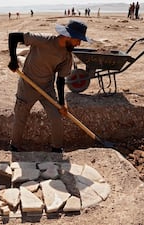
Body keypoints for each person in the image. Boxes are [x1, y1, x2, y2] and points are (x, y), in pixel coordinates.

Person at [7, 20, 90, 153]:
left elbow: (61, 79)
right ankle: (14, 147)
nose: (79, 43)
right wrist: (13, 59)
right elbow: (13, 36)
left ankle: (56, 149)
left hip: (47, 88)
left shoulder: (67, 56)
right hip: (28, 84)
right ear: (68, 36)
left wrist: (62, 103)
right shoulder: (43, 40)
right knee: (20, 116)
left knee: (56, 117)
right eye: (78, 40)